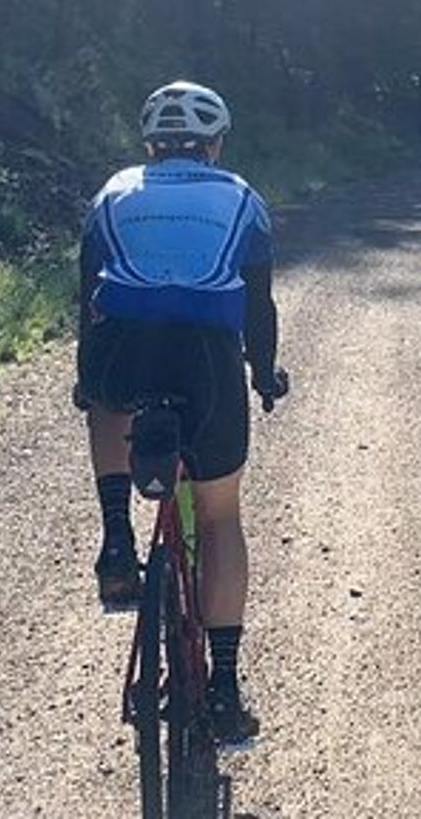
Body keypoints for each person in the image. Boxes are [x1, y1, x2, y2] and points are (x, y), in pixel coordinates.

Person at [75, 80, 288, 745]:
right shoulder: (243, 198)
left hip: (124, 349)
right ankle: (222, 690)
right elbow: (258, 308)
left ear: (149, 145)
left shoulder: (112, 192)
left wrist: (87, 381)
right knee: (220, 515)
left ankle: (117, 537)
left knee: (104, 396)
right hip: (206, 361)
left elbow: (88, 299)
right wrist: (263, 374)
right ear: (215, 143)